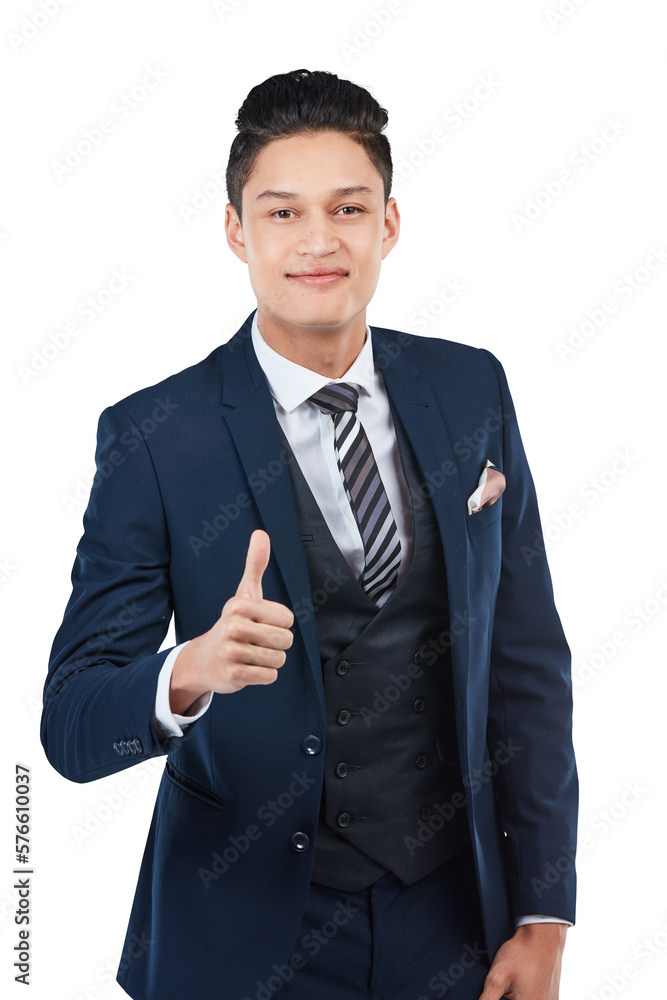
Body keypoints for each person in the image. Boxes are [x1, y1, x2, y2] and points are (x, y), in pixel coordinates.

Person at [41, 68, 578, 1000]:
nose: (319, 242)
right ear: (235, 230)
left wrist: (543, 917)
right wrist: (186, 673)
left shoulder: (470, 389)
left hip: (455, 919)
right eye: (283, 213)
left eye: (348, 208)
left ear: (389, 224)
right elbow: (73, 724)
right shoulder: (155, 437)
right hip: (244, 935)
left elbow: (530, 667)